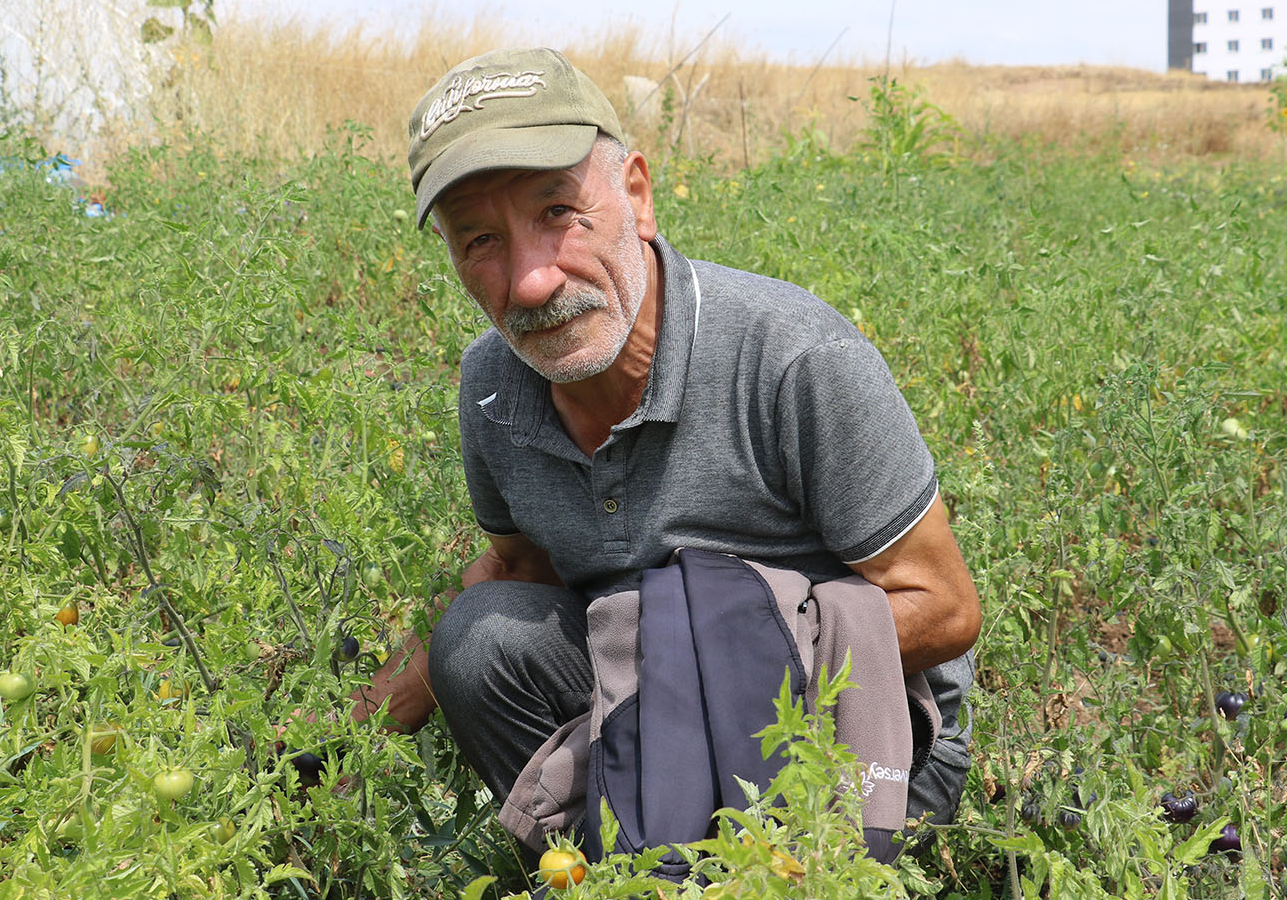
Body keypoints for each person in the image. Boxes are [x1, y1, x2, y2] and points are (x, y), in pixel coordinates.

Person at [352, 46, 982, 829]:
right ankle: (605, 889)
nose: (531, 282)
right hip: (656, 717)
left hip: (852, 739)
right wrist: (349, 743)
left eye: (559, 213)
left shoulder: (791, 356)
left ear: (638, 197)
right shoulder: (495, 386)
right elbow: (524, 565)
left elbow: (944, 608)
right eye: (480, 240)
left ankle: (681, 885)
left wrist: (698, 669)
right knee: (479, 641)